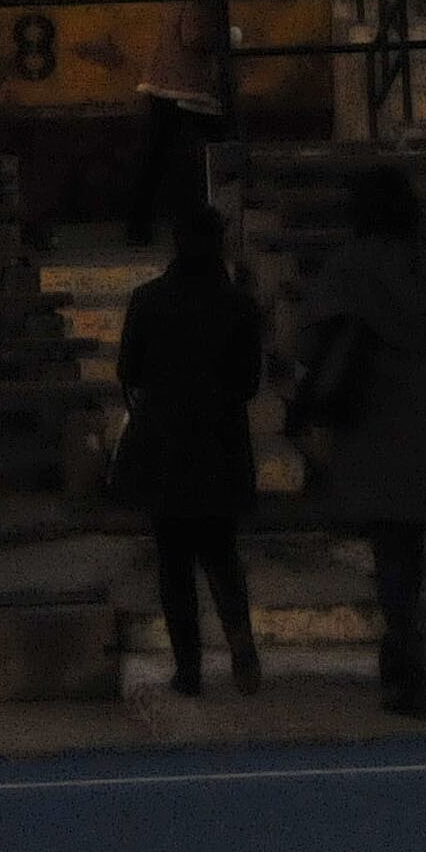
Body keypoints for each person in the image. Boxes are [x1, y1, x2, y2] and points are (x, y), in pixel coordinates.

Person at [290, 163, 426, 717]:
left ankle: (404, 653)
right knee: (409, 549)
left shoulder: (352, 268)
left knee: (391, 549)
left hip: (375, 424)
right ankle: (404, 649)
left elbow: (309, 345)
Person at [113, 202, 265, 696]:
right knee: (222, 554)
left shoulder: (149, 300)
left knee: (173, 562)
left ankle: (189, 668)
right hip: (219, 440)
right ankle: (241, 644)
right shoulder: (239, 306)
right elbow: (248, 382)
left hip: (165, 445)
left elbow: (128, 372)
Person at [121, 0, 230, 245]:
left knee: (155, 156)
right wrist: (222, 37)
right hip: (189, 83)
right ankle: (222, 214)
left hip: (159, 79)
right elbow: (194, 36)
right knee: (219, 145)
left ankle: (138, 227)